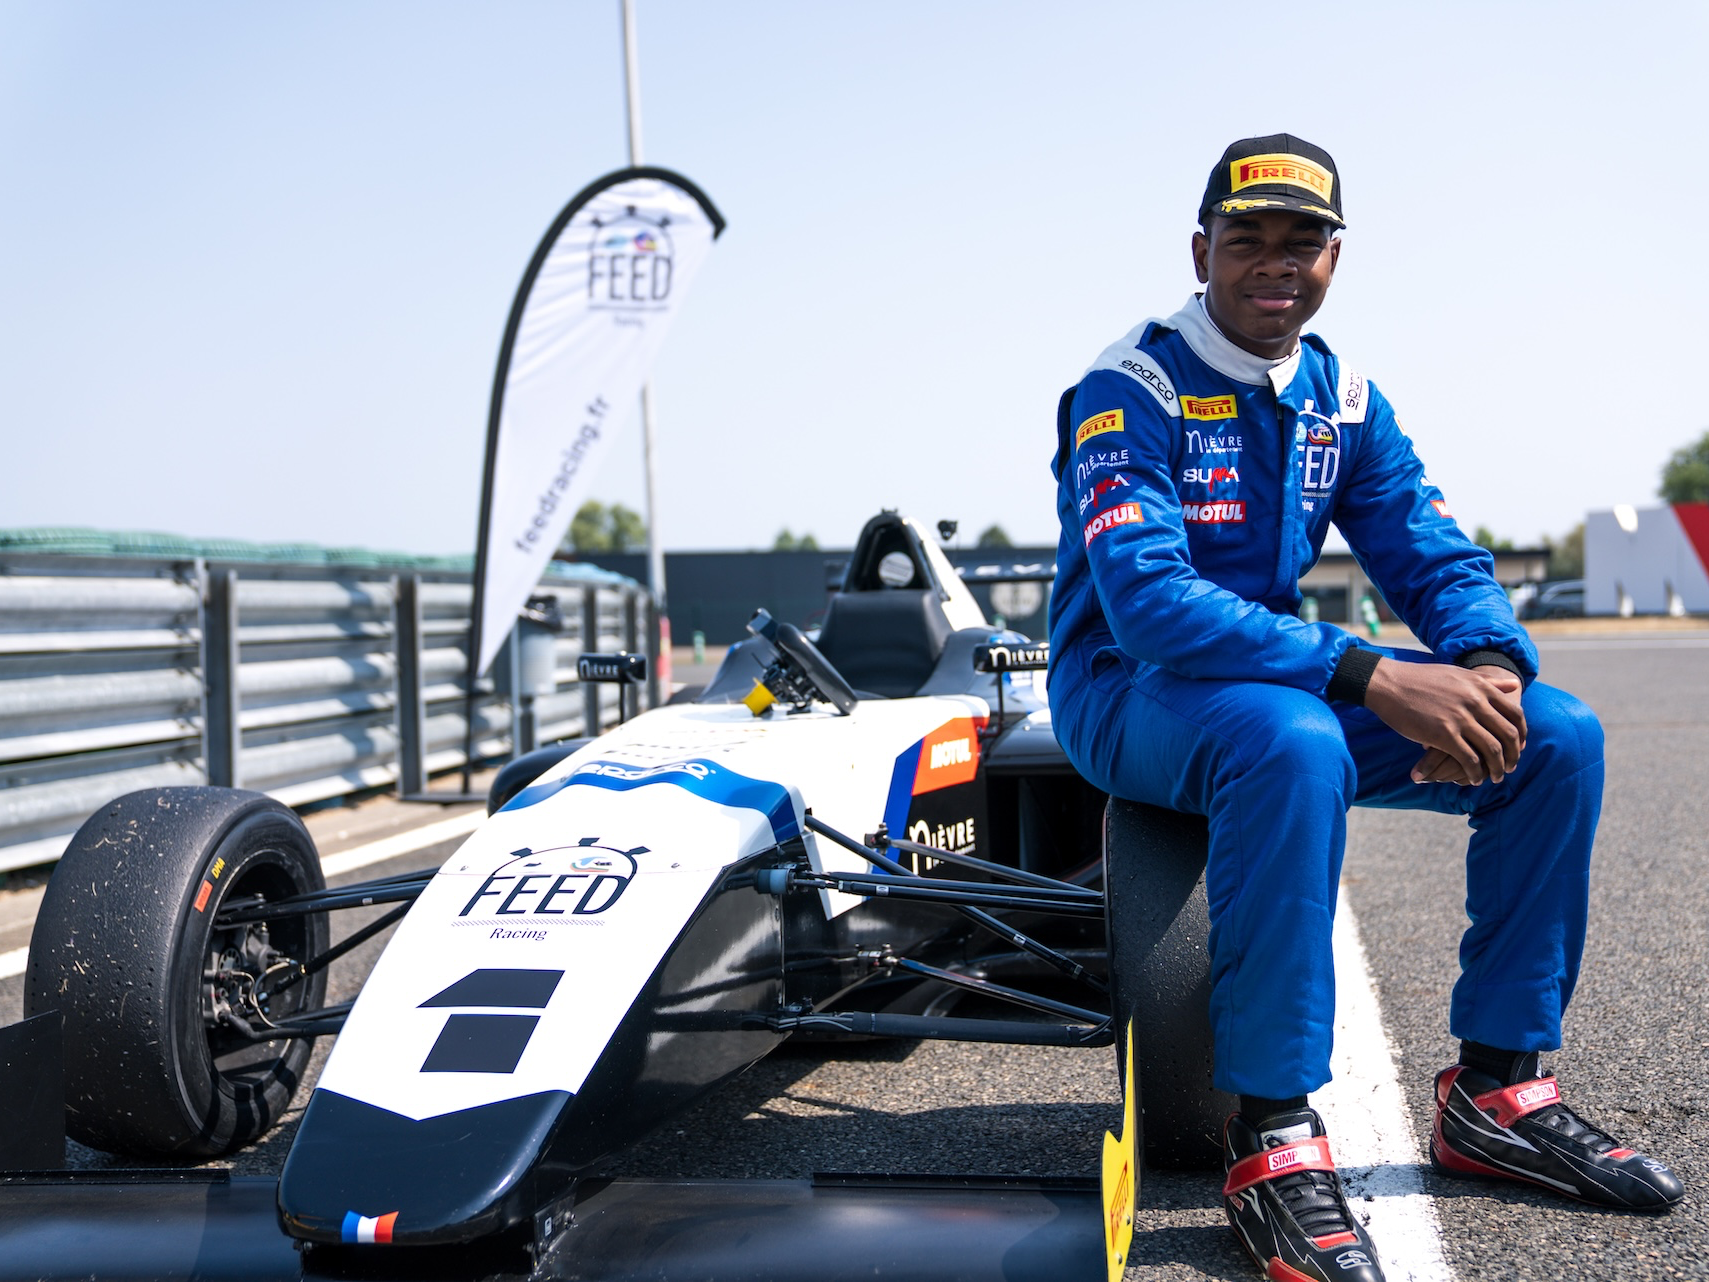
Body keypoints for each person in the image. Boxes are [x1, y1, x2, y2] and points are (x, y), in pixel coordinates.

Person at [1046, 134, 1683, 1282]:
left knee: (1553, 737)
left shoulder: (1341, 398)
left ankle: (1496, 1092)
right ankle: (1271, 1134)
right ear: (1199, 252)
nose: (1273, 262)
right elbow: (1146, 605)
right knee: (1290, 744)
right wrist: (1372, 674)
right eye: (1245, 238)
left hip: (1274, 679)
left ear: (1333, 259)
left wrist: (1488, 667)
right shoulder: (1128, 387)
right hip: (1125, 686)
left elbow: (1431, 553)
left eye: (1301, 241)